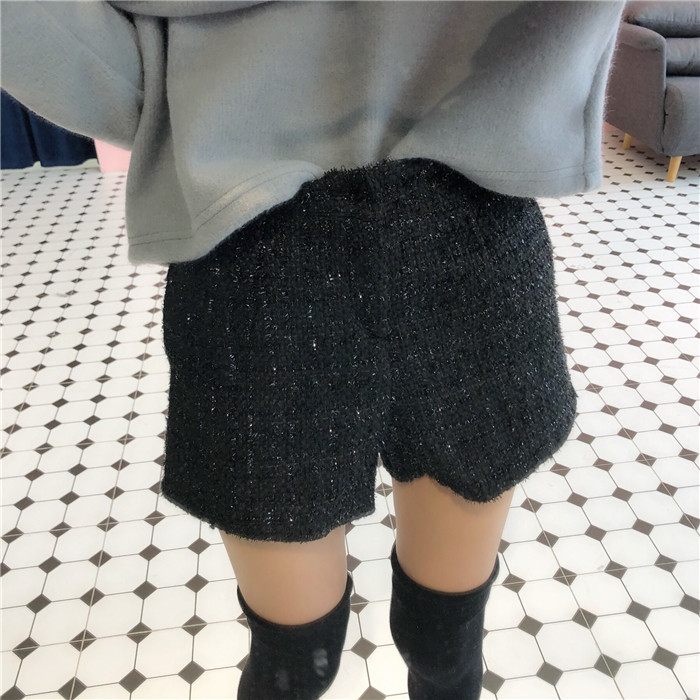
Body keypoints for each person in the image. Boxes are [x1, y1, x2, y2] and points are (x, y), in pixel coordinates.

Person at [1, 2, 625, 698]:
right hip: (261, 255)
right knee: (297, 663)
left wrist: (184, 104)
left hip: (460, 227)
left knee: (439, 640)